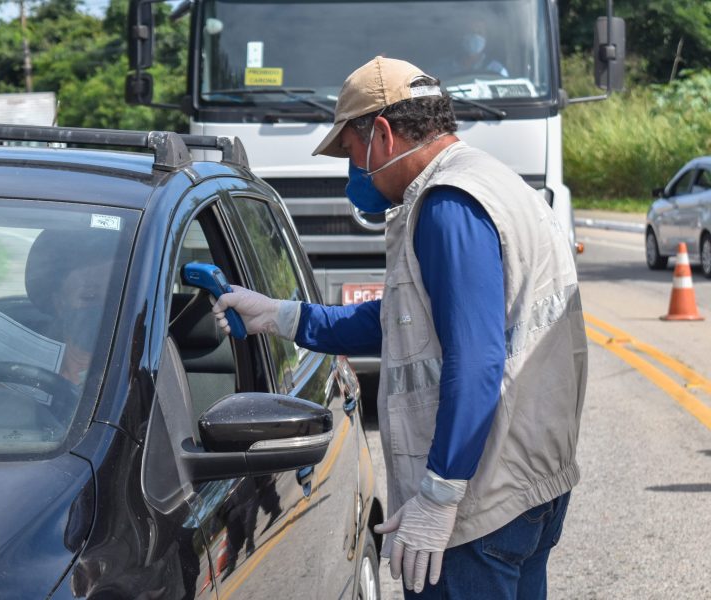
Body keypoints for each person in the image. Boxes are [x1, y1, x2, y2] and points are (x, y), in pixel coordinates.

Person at [211, 56, 587, 598]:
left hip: (477, 504)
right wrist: (280, 314)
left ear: (383, 134)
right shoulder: (498, 183)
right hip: (530, 485)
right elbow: (404, 321)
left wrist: (438, 497)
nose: (351, 173)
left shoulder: (447, 206)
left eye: (349, 153)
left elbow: (476, 359)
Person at [0, 229, 115, 395]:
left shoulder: (132, 379)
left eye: (115, 297)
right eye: (90, 296)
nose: (104, 308)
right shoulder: (3, 369)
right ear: (59, 303)